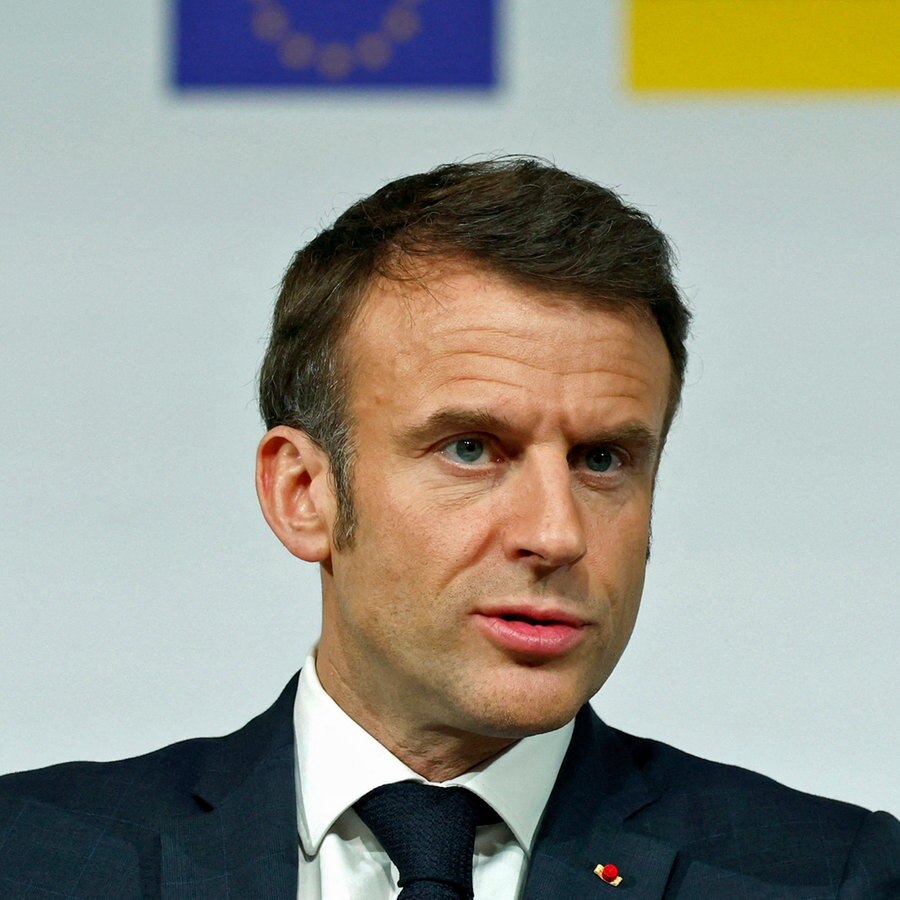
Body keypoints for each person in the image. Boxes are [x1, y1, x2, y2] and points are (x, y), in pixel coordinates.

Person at [0, 158, 896, 899]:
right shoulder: (32, 860)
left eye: (603, 461)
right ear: (304, 492)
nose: (557, 534)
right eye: (472, 449)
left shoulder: (832, 878)